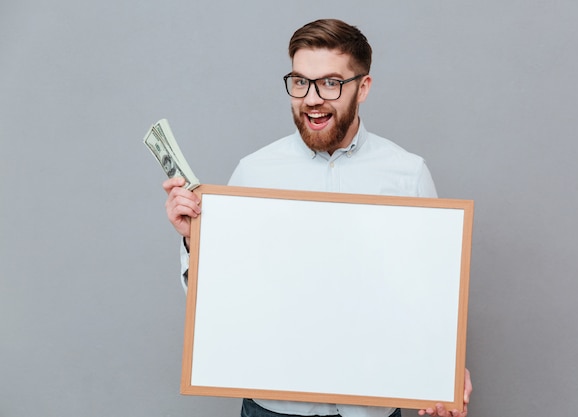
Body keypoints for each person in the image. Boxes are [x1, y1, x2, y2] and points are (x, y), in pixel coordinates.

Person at [163, 18, 472, 417]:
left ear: (363, 88)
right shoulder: (254, 173)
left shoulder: (407, 174)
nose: (311, 98)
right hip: (274, 408)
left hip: (371, 406)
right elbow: (223, 301)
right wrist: (193, 241)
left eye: (330, 83)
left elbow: (429, 296)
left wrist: (444, 372)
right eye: (300, 82)